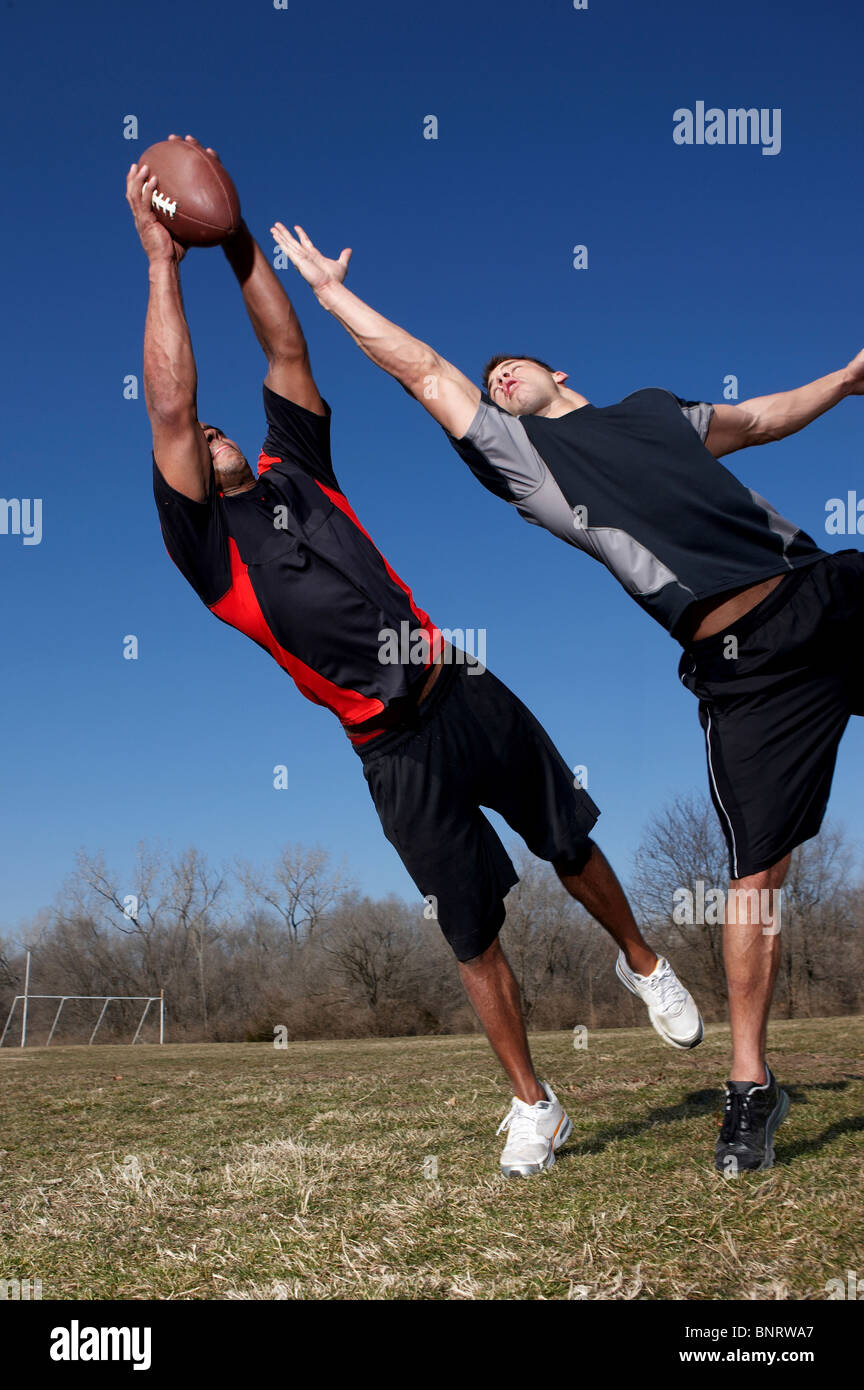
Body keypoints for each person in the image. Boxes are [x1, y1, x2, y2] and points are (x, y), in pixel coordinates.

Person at [125, 138, 702, 1179]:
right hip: (392, 750)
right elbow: (170, 402)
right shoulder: (205, 552)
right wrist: (163, 259)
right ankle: (536, 1104)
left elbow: (286, 357)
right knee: (472, 935)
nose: (209, 433)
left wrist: (235, 239)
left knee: (569, 842)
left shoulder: (293, 467)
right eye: (197, 439)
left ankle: (645, 961)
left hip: (462, 685)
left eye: (220, 432)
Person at [271, 216, 864, 1173]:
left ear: (561, 370)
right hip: (746, 665)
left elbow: (756, 419)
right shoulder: (523, 461)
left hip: (826, 591)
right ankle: (751, 1090)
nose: (497, 375)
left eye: (514, 365)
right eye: (491, 375)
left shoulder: (650, 410)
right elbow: (423, 369)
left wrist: (842, 379)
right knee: (758, 878)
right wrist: (331, 294)